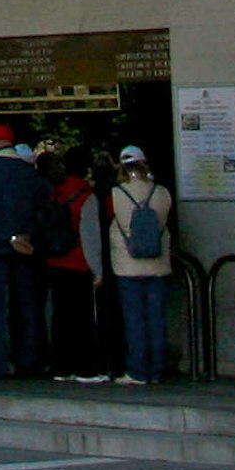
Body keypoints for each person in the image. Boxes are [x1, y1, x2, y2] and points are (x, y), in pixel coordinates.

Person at [0, 122, 52, 381]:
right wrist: (25, 236)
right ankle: (30, 360)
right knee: (27, 304)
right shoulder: (30, 172)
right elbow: (43, 208)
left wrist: (8, 236)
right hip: (27, 248)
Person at [104, 147, 174, 386]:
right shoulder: (162, 193)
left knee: (134, 320)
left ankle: (137, 370)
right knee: (156, 319)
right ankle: (157, 369)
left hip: (127, 265)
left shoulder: (115, 194)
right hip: (158, 264)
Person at [44, 148, 100, 376]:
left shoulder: (55, 192)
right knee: (82, 318)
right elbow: (91, 236)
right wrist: (99, 270)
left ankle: (61, 366)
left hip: (56, 260)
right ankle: (84, 368)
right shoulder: (87, 196)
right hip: (79, 261)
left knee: (60, 317)